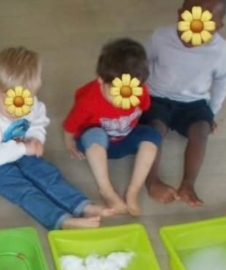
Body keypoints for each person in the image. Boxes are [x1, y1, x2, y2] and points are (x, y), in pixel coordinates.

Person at [0, 47, 114, 230]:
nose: (18, 111)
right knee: (23, 191)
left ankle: (82, 206)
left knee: (48, 175)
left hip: (22, 147)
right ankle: (61, 220)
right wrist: (24, 149)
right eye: (10, 103)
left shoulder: (29, 101)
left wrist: (36, 138)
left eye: (26, 102)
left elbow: (37, 121)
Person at [142, 0, 226, 207]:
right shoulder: (161, 37)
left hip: (193, 102)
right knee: (154, 130)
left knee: (201, 131)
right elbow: (142, 62)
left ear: (218, 26)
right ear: (180, 14)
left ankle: (188, 184)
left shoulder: (221, 50)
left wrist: (211, 112)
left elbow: (223, 80)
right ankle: (151, 180)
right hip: (157, 96)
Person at [63, 39, 161, 217]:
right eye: (115, 92)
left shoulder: (141, 93)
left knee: (152, 136)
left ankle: (133, 190)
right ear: (101, 80)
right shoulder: (88, 100)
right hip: (96, 144)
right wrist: (69, 142)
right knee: (95, 134)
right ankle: (106, 190)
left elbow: (145, 108)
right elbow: (71, 124)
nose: (121, 100)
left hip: (124, 138)